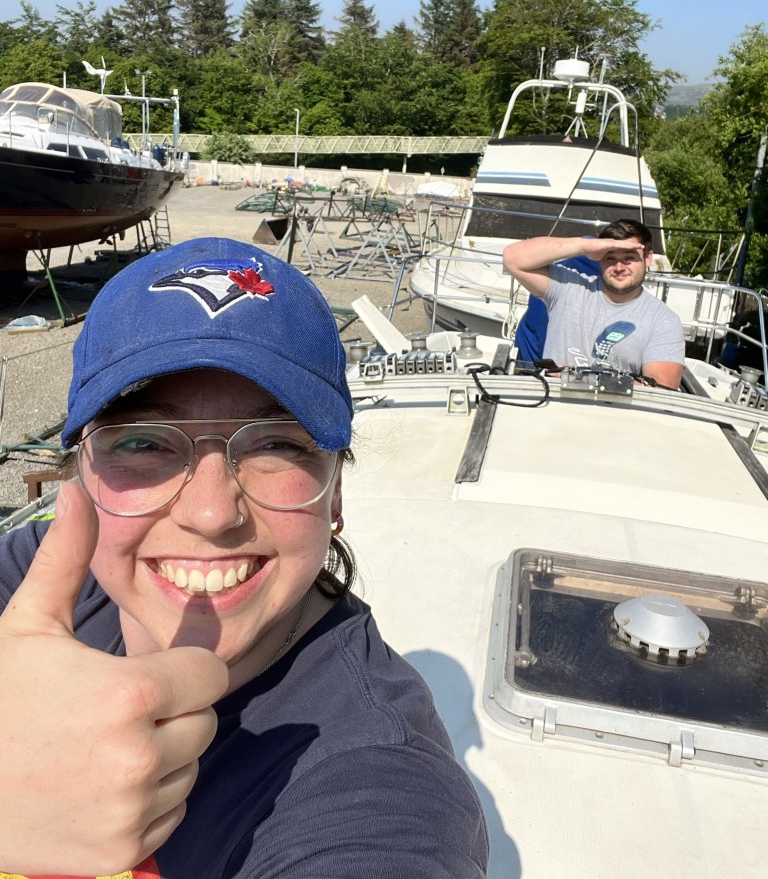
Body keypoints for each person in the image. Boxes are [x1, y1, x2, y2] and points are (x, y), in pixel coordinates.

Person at [0, 237, 488, 879]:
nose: (210, 513)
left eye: (277, 445)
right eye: (144, 443)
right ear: (81, 477)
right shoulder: (43, 576)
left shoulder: (374, 781)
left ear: (333, 492)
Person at [503, 219, 685, 388]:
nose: (619, 267)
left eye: (629, 258)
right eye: (610, 257)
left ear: (648, 258)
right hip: (553, 409)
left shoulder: (663, 320)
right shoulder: (567, 288)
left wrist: (578, 379)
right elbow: (512, 258)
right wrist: (584, 245)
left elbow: (662, 389)